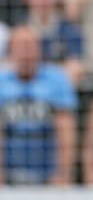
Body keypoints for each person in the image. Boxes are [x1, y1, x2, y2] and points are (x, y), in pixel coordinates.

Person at [0, 27, 76, 185]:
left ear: (39, 50)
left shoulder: (56, 79)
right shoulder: (2, 82)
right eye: (20, 47)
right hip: (9, 174)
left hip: (48, 175)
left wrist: (63, 174)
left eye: (30, 46)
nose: (26, 53)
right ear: (10, 53)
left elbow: (66, 129)